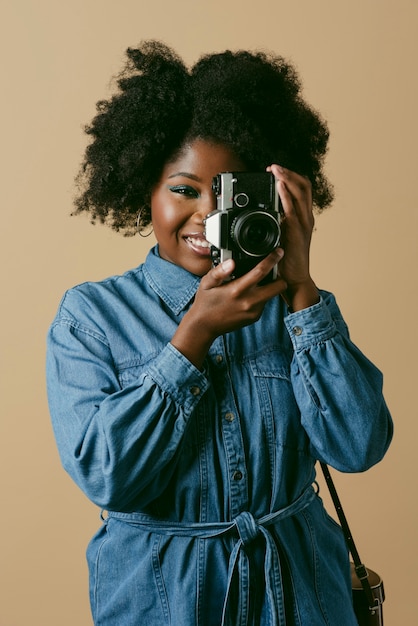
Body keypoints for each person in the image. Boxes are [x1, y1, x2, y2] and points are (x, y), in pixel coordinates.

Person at [46, 40, 393, 626]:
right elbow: (108, 477)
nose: (207, 218)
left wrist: (302, 283)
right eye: (184, 190)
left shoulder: (295, 310)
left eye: (231, 196)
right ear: (144, 192)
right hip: (162, 603)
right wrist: (192, 340)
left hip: (303, 597)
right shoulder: (91, 316)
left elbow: (360, 446)